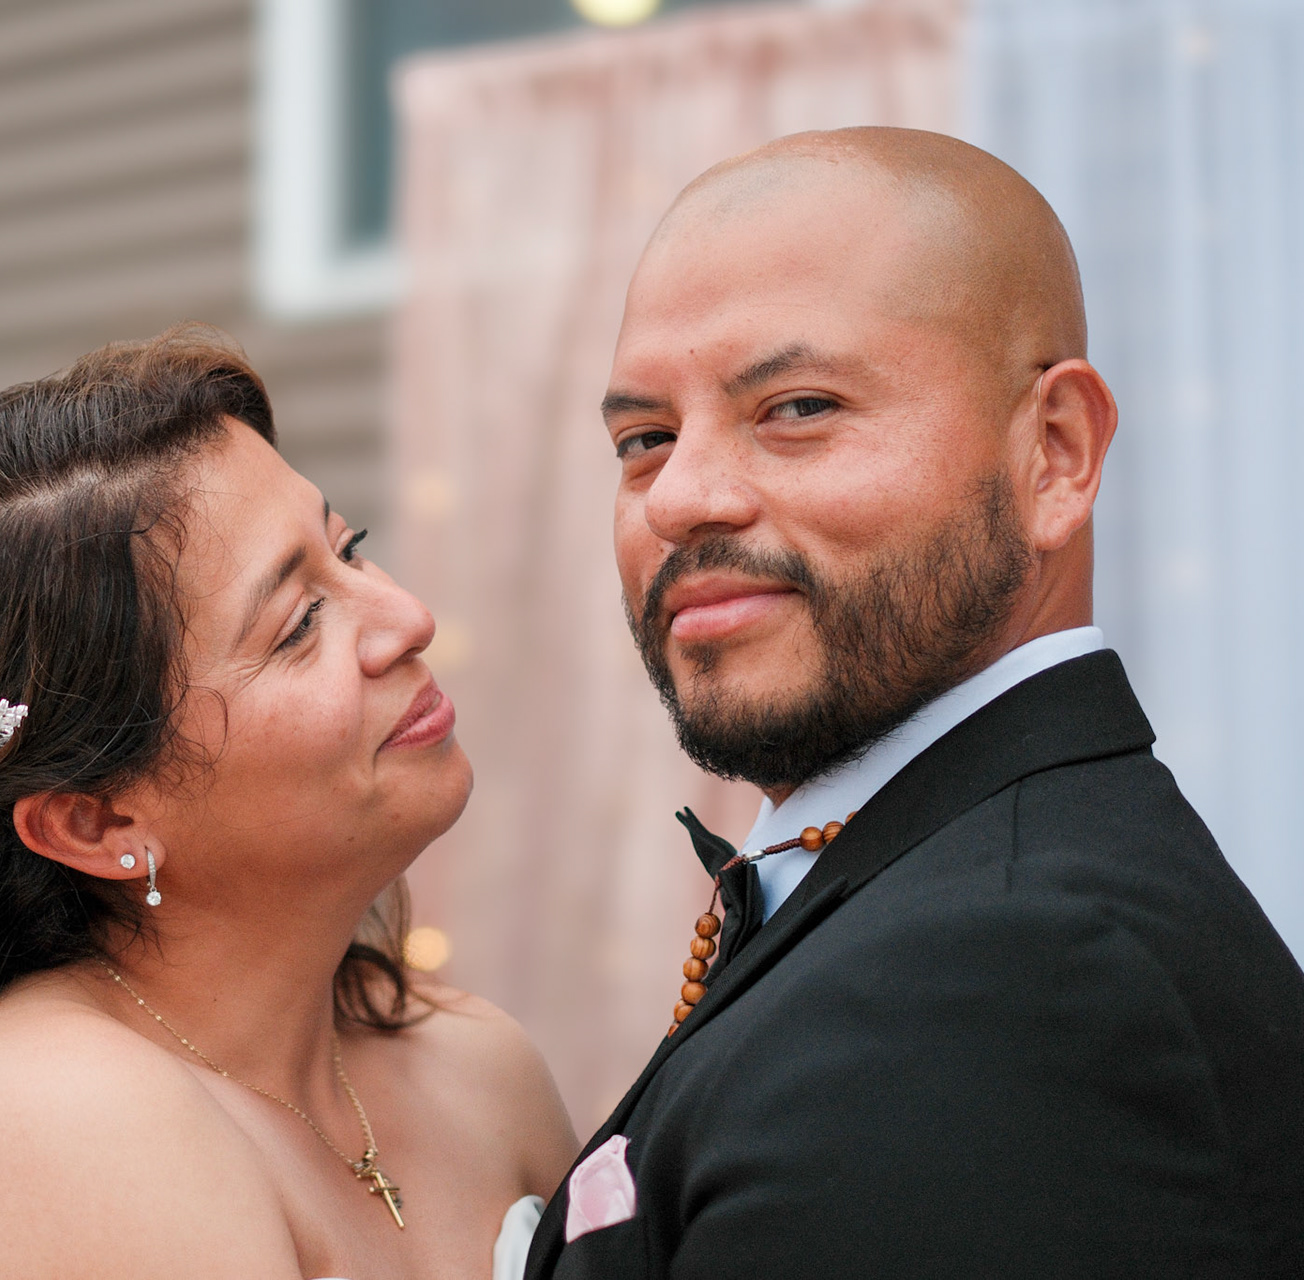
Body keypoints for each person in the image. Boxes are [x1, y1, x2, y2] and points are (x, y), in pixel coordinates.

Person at [524, 127, 1304, 1278]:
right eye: (645, 439)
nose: (679, 496)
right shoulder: (936, 888)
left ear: (1054, 453)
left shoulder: (1006, 975)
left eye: (798, 407)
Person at [0, 329, 577, 1280]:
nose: (409, 620)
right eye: (299, 625)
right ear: (98, 823)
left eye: (351, 551)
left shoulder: (478, 1064)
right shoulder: (48, 1118)